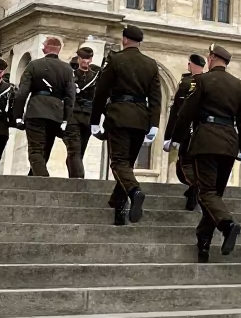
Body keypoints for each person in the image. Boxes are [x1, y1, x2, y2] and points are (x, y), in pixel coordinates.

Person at [174, 44, 241, 261]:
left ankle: (227, 225)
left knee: (206, 193)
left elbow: (186, 113)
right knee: (214, 196)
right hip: (229, 144)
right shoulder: (239, 85)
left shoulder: (201, 81)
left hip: (206, 140)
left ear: (211, 58)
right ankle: (204, 241)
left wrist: (177, 138)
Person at [90, 25, 161, 225]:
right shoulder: (151, 64)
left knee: (119, 163)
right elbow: (156, 98)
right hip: (141, 119)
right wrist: (154, 124)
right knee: (127, 165)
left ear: (125, 39)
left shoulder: (116, 59)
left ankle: (134, 191)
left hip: (119, 115)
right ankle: (118, 206)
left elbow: (101, 92)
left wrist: (95, 121)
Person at [12, 37, 76, 177]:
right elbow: (70, 97)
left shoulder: (34, 65)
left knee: (35, 151)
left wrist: (17, 116)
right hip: (56, 112)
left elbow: (22, 93)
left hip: (36, 110)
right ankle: (33, 179)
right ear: (59, 49)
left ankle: (44, 180)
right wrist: (65, 118)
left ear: (45, 48)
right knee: (46, 150)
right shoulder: (67, 69)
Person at [165, 54, 205, 211]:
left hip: (187, 132)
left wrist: (170, 136)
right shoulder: (208, 82)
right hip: (203, 134)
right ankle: (193, 191)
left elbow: (177, 112)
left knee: (182, 167)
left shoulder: (187, 83)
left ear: (191, 65)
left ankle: (195, 188)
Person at [62, 46, 102, 179]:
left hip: (88, 117)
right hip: (73, 115)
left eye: (88, 58)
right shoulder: (70, 74)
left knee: (79, 152)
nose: (86, 61)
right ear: (78, 58)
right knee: (74, 150)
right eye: (83, 58)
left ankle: (73, 177)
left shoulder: (96, 76)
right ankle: (79, 180)